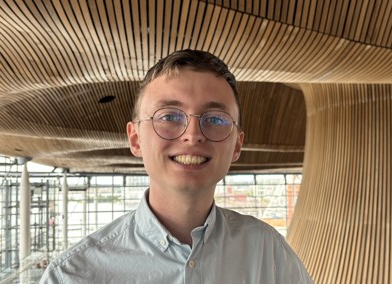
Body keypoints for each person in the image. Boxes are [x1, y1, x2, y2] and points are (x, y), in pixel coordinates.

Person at [40, 49, 313, 283]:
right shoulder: (72, 276)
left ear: (237, 146)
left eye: (216, 119)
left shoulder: (269, 254)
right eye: (169, 115)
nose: (193, 134)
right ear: (135, 139)